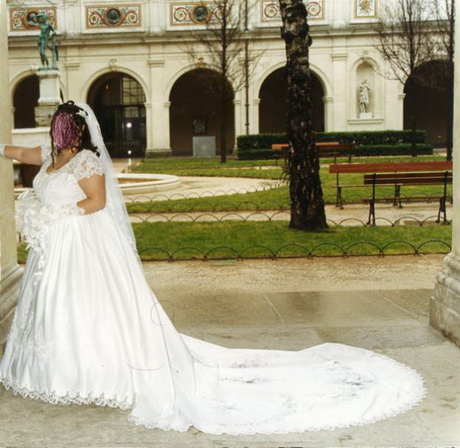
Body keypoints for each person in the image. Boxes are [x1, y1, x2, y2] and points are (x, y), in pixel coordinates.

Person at [0, 101, 425, 434]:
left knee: (87, 308)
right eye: (55, 128)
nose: (56, 134)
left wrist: (55, 216)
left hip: (79, 245)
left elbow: (97, 203)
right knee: (53, 309)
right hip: (52, 249)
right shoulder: (49, 155)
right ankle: (57, 370)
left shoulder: (87, 163)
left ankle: (95, 371)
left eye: (61, 128)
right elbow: (16, 151)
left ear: (73, 131)